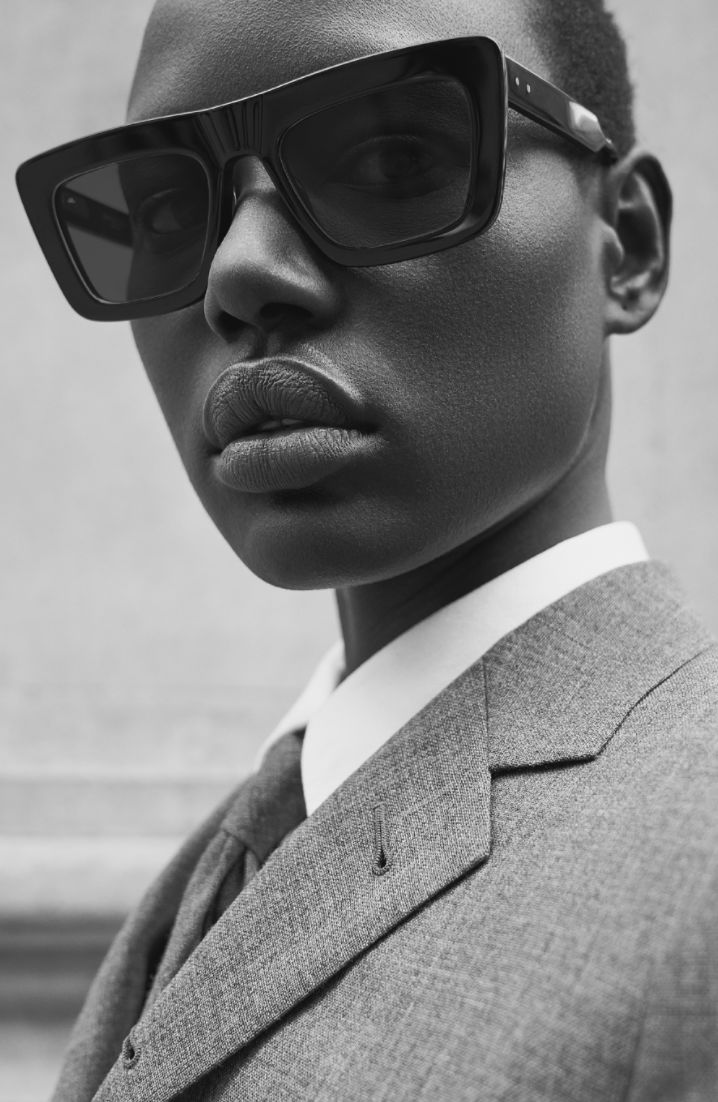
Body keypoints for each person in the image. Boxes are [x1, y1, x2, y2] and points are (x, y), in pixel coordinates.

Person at [15, 0, 718, 1098]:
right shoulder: (237, 854)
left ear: (625, 247)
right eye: (164, 211)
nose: (238, 272)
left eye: (395, 158)